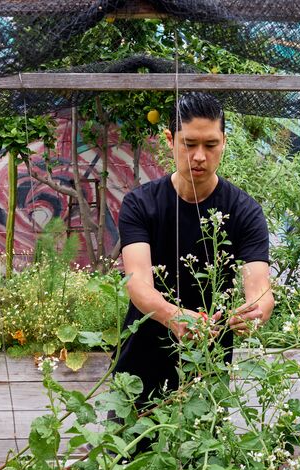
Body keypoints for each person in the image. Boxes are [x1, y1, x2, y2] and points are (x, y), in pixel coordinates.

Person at [115, 92, 274, 402]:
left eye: (210, 145)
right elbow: (137, 284)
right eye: (189, 144)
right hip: (140, 361)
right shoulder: (140, 204)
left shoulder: (244, 211)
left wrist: (255, 312)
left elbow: (260, 288)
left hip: (207, 363)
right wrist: (175, 316)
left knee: (200, 447)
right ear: (169, 139)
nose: (199, 156)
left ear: (224, 142)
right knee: (130, 448)